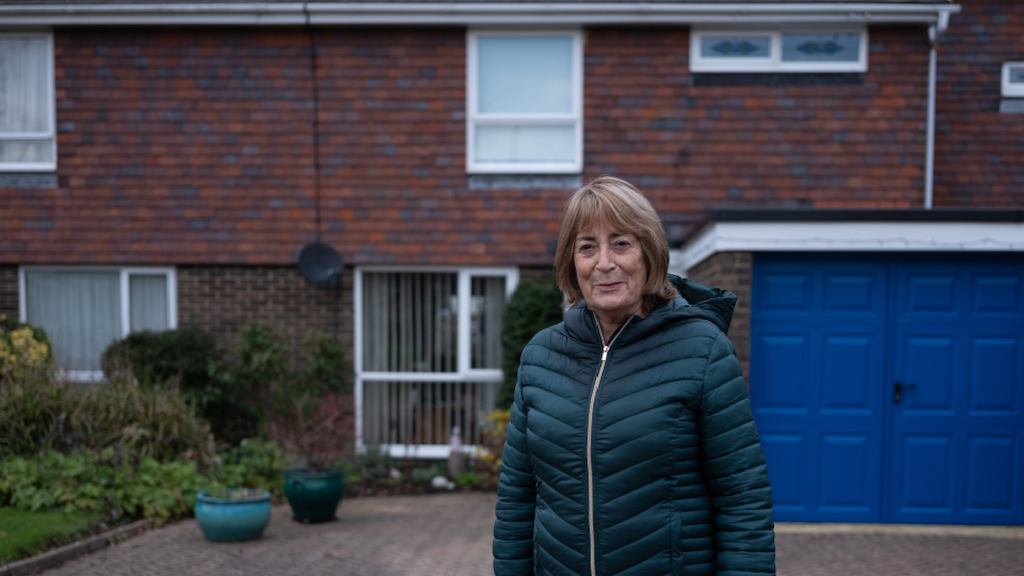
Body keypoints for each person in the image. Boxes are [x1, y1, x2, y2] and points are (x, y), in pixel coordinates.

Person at [493, 176, 775, 576]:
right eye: (587, 247)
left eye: (621, 243)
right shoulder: (541, 356)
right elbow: (516, 500)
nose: (604, 262)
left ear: (650, 254)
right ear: (572, 263)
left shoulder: (703, 350)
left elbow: (741, 498)